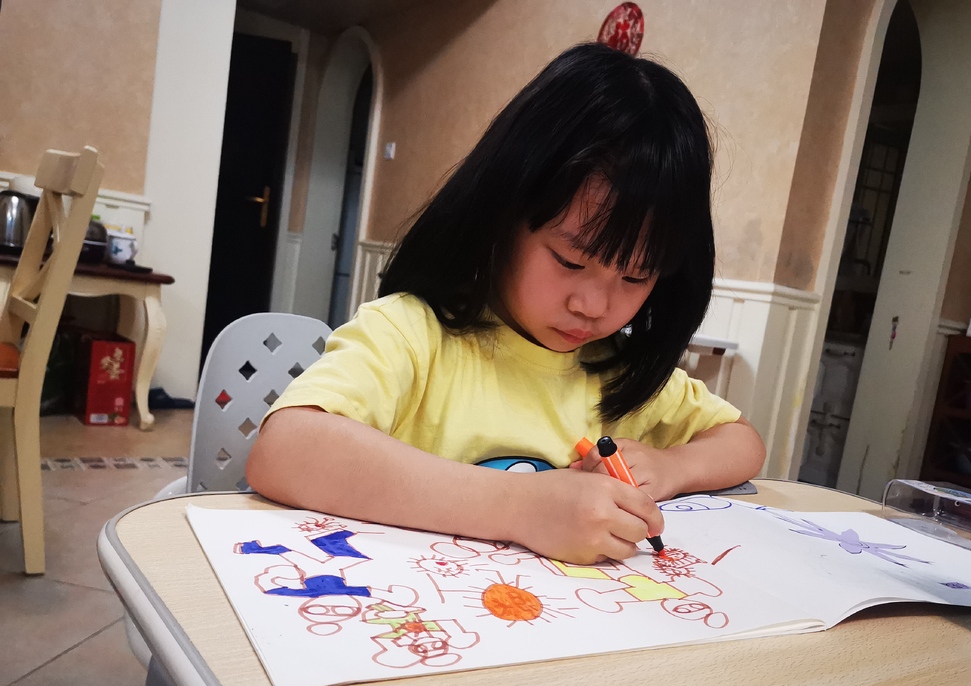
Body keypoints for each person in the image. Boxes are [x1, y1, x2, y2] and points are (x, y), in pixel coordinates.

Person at [247, 42, 766, 565]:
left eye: (635, 276)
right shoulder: (412, 335)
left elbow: (742, 442)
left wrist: (673, 467)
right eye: (569, 261)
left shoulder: (620, 371)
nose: (594, 304)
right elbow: (284, 449)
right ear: (502, 217)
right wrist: (520, 506)